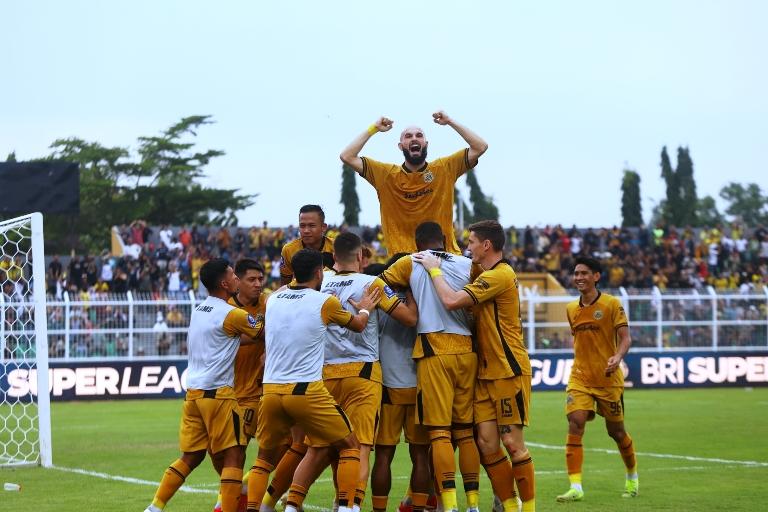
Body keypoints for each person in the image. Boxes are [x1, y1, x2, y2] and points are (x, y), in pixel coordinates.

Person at [245, 249, 382, 512]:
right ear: (319, 273)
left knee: (264, 459)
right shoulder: (324, 302)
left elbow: (280, 300)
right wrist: (365, 307)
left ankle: (260, 508)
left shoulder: (273, 300)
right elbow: (357, 325)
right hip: (305, 391)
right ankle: (346, 507)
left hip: (271, 392)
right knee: (350, 446)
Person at [414, 220, 536, 512]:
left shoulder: (500, 275)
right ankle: (509, 505)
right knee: (486, 444)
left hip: (508, 370)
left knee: (512, 443)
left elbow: (451, 300)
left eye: (470, 242)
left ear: (486, 245)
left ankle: (529, 508)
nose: (467, 247)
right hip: (484, 373)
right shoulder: (483, 275)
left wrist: (434, 268)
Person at [143, 258, 263, 512]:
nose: (237, 279)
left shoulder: (200, 310)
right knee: (234, 455)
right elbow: (263, 330)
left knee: (191, 456)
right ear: (224, 283)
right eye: (233, 275)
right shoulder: (232, 313)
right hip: (218, 395)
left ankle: (154, 507)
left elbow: (230, 339)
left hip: (193, 396)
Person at [381, 222, 480, 512]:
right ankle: (473, 504)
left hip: (434, 350)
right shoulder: (468, 264)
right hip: (467, 351)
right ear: (446, 239)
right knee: (465, 433)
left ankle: (449, 506)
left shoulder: (409, 262)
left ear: (417, 243)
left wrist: (407, 303)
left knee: (439, 434)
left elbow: (378, 285)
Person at [317, 233, 418, 512]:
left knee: (330, 447)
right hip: (362, 374)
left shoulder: (320, 283)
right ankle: (352, 505)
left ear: (333, 256)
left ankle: (333, 501)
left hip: (325, 374)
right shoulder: (372, 284)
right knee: (359, 447)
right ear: (361, 256)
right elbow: (410, 318)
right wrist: (412, 292)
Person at [340, 111, 488, 255]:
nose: (414, 138)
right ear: (400, 146)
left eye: (419, 135)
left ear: (426, 144)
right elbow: (347, 156)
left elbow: (480, 146)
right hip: (404, 261)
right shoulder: (385, 175)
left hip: (444, 257)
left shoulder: (444, 168)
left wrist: (450, 121)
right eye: (408, 136)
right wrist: (374, 128)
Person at [555, 256, 637, 502]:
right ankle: (575, 487)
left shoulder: (612, 304)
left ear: (596, 276)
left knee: (617, 432)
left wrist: (617, 357)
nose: (579, 277)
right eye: (576, 273)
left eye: (584, 273)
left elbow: (625, 338)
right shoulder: (571, 308)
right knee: (575, 422)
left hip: (608, 379)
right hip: (580, 377)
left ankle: (632, 476)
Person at [368, 254, 431, 512]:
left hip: (389, 387)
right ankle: (419, 508)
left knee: (384, 455)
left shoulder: (383, 301)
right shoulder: (425, 300)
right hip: (419, 386)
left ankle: (379, 510)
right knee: (421, 455)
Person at [208, 259, 268, 512]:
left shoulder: (269, 302)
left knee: (240, 449)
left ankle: (233, 499)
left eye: (260, 279)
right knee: (215, 450)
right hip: (226, 390)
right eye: (251, 279)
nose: (257, 284)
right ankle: (238, 489)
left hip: (255, 393)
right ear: (238, 282)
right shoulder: (226, 309)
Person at [280, 205, 336, 285]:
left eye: (312, 225)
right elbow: (285, 284)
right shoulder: (288, 250)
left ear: (323, 227)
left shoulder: (336, 247)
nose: (306, 231)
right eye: (302, 226)